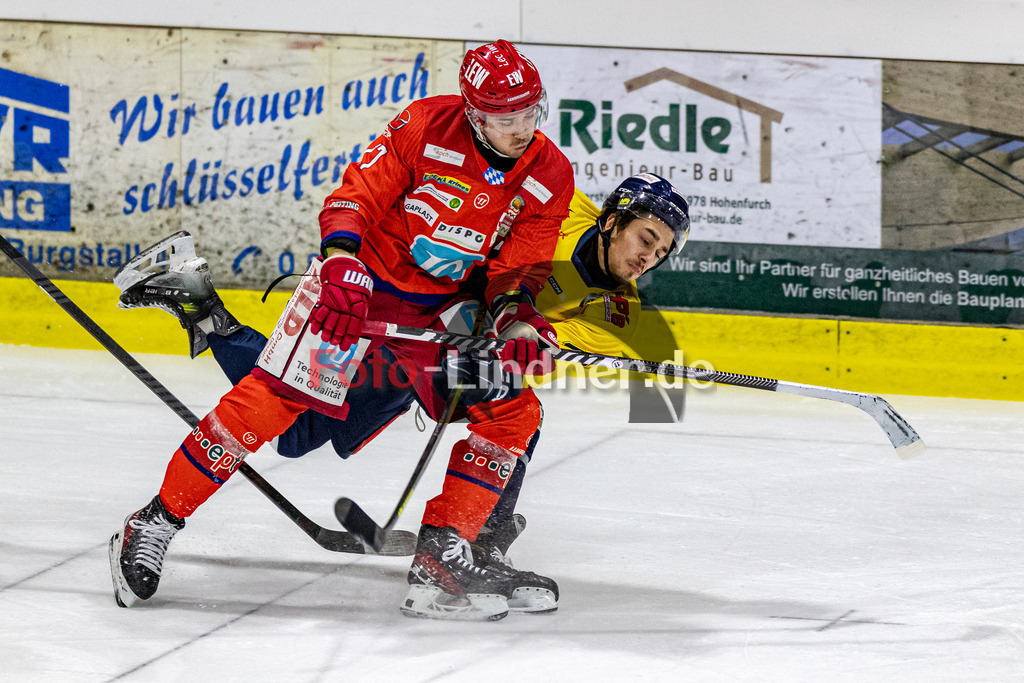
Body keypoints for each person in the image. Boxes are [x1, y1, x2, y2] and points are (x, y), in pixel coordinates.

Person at [108, 39, 575, 622]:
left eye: (531, 112)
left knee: (512, 411)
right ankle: (153, 522)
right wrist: (342, 259)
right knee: (270, 407)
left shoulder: (550, 173)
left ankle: (438, 564)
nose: (522, 128)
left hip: (437, 315)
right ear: (474, 113)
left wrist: (516, 321)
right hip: (354, 293)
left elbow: (519, 270)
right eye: (507, 118)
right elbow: (354, 197)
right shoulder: (425, 125)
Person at [111, 172, 689, 618]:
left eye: (662, 253)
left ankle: (475, 545)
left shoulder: (618, 310)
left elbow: (517, 353)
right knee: (294, 433)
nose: (648, 257)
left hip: (440, 354)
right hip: (403, 308)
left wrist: (525, 340)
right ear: (613, 219)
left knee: (515, 412)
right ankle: (203, 308)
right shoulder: (561, 208)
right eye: (646, 237)